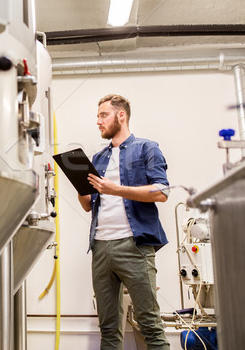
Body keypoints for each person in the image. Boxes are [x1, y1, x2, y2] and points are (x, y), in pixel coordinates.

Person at [78, 94, 170, 350]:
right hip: (100, 247)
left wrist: (114, 189)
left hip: (134, 246)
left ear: (121, 115)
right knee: (108, 329)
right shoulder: (97, 158)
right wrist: (79, 184)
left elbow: (161, 192)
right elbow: (88, 204)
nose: (98, 121)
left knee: (149, 324)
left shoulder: (146, 148)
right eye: (97, 116)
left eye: (103, 115)